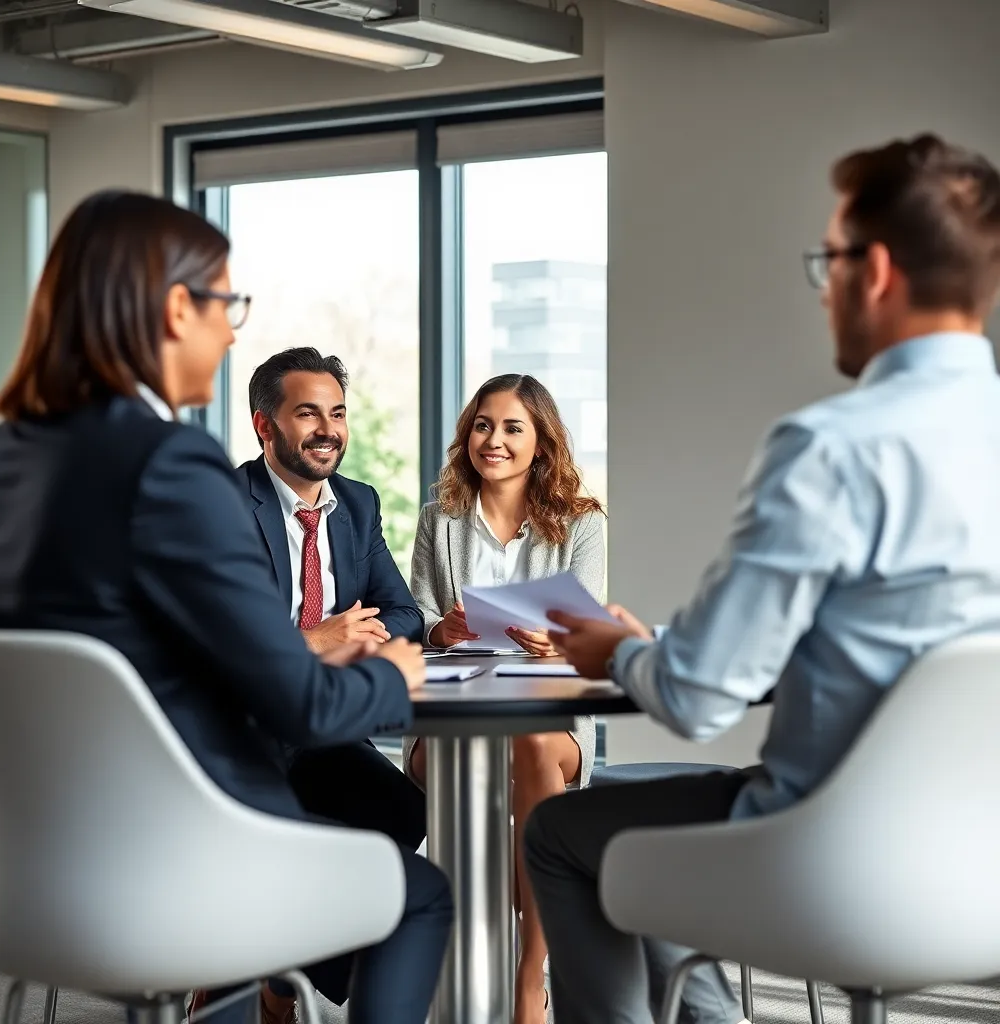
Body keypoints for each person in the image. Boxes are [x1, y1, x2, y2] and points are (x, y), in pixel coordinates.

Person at [523, 133, 1000, 1024]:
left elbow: (700, 700)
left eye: (829, 263)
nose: (827, 295)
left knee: (561, 834)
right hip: (983, 859)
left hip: (830, 857)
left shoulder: (832, 448)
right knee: (638, 815)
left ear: (878, 270)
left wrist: (621, 652)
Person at [0, 189, 452, 1024]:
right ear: (174, 308)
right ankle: (255, 981)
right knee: (419, 895)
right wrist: (395, 674)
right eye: (226, 304)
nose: (232, 331)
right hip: (191, 862)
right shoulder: (172, 466)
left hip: (23, 874)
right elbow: (302, 707)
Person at [407, 373, 605, 1024]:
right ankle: (468, 971)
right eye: (482, 425)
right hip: (453, 720)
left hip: (545, 721)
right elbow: (416, 617)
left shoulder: (581, 524)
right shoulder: (438, 520)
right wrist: (442, 628)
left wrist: (561, 644)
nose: (493, 440)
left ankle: (527, 980)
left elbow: (594, 634)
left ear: (541, 443)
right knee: (471, 773)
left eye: (513, 427)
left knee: (528, 744)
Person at [235, 346, 426, 849]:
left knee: (404, 814)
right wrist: (314, 641)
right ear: (264, 425)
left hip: (335, 721)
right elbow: (217, 646)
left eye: (337, 413)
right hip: (252, 730)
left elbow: (405, 614)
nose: (328, 429)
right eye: (307, 413)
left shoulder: (358, 503)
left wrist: (355, 638)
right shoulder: (225, 505)